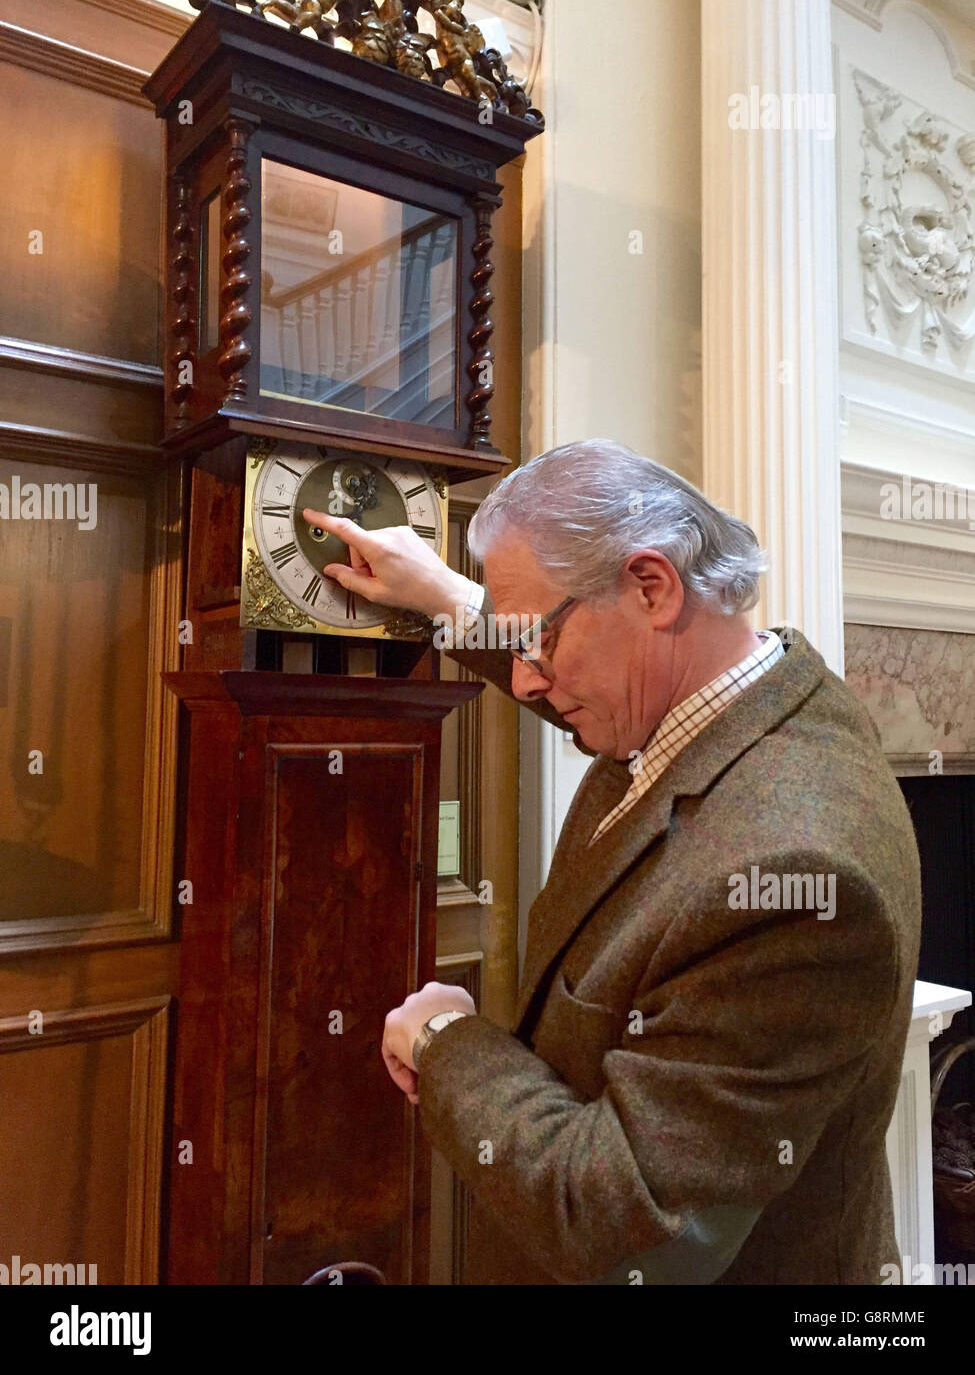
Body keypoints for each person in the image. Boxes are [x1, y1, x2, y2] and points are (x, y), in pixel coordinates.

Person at [302, 438, 922, 1285]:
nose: (526, 684)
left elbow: (629, 1223)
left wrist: (448, 1043)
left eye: (540, 641)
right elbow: (586, 698)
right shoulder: (753, 691)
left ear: (651, 586)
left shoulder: (791, 878)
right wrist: (443, 597)